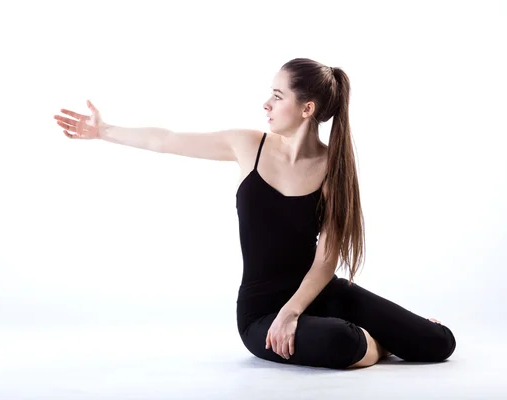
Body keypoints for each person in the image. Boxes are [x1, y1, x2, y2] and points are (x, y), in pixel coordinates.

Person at [53, 57, 456, 369]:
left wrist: (294, 312)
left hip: (319, 294)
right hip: (261, 312)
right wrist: (103, 131)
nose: (266, 103)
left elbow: (326, 258)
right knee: (341, 343)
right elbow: (166, 139)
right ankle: (379, 344)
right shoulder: (248, 146)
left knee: (439, 344)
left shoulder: (334, 169)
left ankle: (377, 339)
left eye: (278, 96)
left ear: (306, 108)